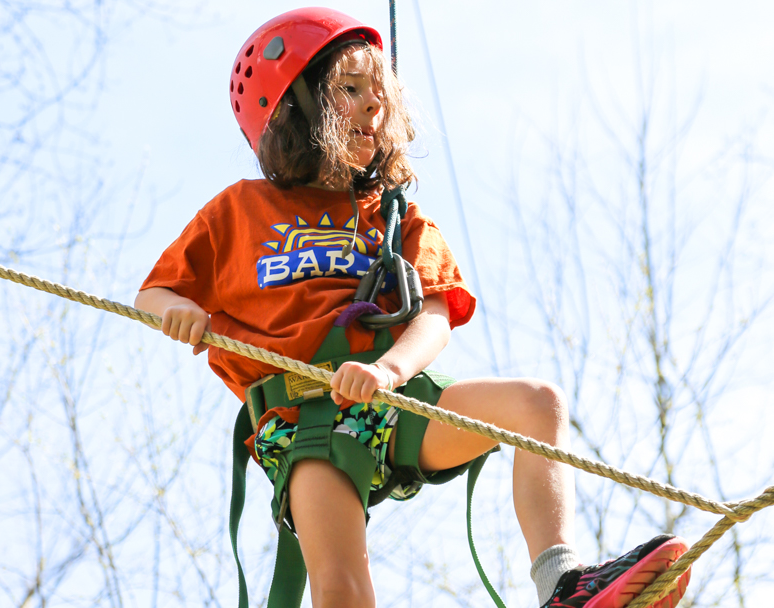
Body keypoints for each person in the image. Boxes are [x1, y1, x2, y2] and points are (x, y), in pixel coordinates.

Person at [134, 8, 690, 608]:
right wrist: (179, 312)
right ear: (290, 106)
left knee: (538, 405)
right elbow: (154, 294)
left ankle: (562, 585)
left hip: (391, 398)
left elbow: (435, 315)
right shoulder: (239, 211)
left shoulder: (395, 219)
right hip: (304, 420)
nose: (374, 106)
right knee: (343, 588)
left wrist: (388, 372)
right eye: (351, 89)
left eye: (381, 94)